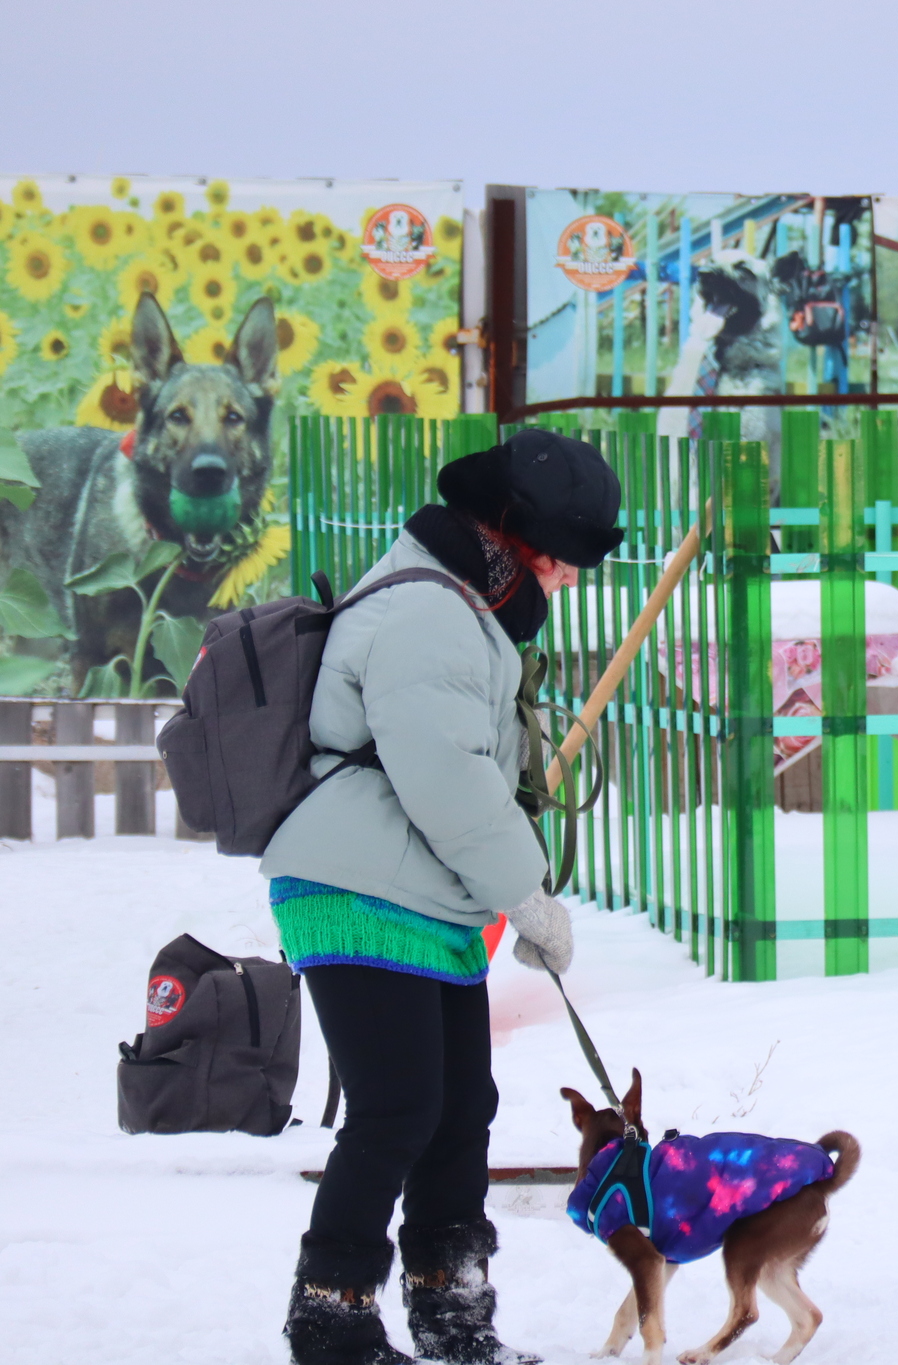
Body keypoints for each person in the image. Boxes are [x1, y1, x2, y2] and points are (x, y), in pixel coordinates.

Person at [261, 428, 625, 1365]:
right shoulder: (429, 611)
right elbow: (446, 776)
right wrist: (528, 894)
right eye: (561, 556)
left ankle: (455, 1316)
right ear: (508, 534)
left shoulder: (462, 605)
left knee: (461, 1109)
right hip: (357, 890)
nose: (568, 577)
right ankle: (332, 1321)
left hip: (421, 894)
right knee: (396, 1111)